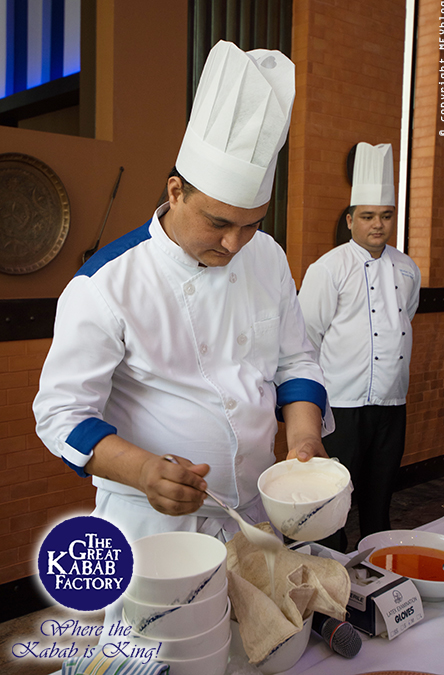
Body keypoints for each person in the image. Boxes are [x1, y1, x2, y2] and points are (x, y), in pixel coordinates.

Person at [33, 40, 333, 549]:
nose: (235, 243)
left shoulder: (268, 256)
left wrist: (305, 438)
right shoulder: (107, 284)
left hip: (259, 512)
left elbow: (295, 362)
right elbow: (61, 415)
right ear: (176, 192)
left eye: (251, 225)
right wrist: (144, 470)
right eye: (218, 223)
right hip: (151, 522)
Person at [298, 142, 421, 552]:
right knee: (333, 502)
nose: (378, 225)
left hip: (391, 403)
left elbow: (405, 320)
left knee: (379, 497)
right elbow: (306, 339)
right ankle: (330, 571)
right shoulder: (329, 268)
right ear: (350, 219)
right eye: (368, 216)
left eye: (386, 216)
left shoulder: (407, 269)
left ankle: (376, 570)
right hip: (342, 407)